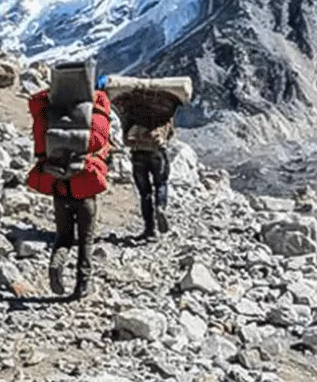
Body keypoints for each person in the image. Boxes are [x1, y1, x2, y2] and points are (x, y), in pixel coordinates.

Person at [26, 60, 111, 300]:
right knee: (86, 240)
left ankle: (56, 264)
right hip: (85, 188)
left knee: (63, 236)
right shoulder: (93, 112)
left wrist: (54, 92)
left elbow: (39, 143)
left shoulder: (50, 111)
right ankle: (82, 285)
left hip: (59, 186)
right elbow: (100, 143)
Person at [106, 76, 192, 241]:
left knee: (145, 192)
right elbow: (170, 131)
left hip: (138, 153)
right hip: (157, 152)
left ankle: (149, 229)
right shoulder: (166, 105)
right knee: (161, 183)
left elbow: (124, 124)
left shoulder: (131, 105)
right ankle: (161, 206)